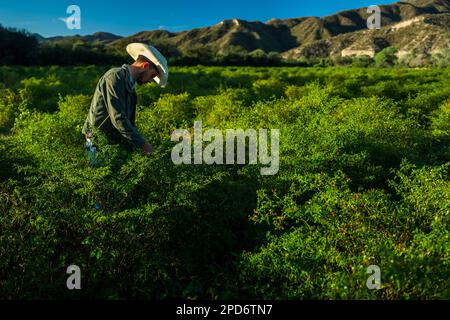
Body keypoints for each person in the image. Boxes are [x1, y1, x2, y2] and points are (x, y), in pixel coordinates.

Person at [82, 43, 169, 162]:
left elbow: (129, 123)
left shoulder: (131, 89)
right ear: (145, 65)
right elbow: (118, 118)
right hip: (95, 139)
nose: (150, 81)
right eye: (152, 75)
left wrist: (139, 145)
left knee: (114, 176)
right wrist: (143, 144)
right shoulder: (114, 77)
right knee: (96, 174)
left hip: (110, 140)